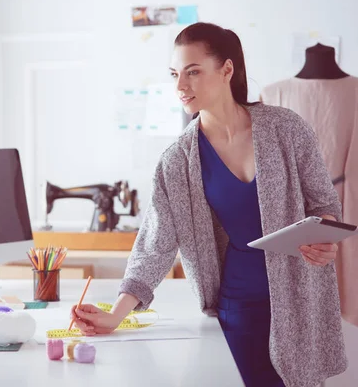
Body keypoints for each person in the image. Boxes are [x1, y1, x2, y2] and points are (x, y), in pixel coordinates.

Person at [70, 22, 347, 387]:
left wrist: (325, 238)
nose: (181, 86)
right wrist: (115, 314)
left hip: (300, 301)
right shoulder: (177, 160)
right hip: (238, 306)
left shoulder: (287, 129)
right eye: (175, 74)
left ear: (227, 70)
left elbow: (324, 204)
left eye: (194, 72)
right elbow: (154, 247)